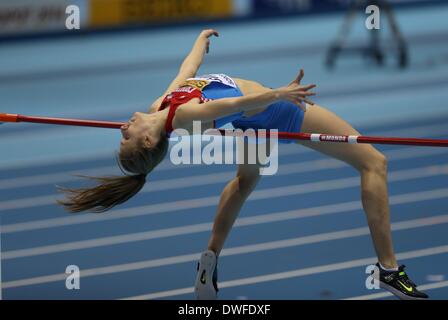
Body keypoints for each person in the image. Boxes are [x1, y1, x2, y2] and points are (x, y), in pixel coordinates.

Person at [58, 29, 428, 300]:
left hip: (254, 121)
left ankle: (210, 259)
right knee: (374, 162)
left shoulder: (160, 106)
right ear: (149, 141)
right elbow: (235, 106)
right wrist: (280, 94)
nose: (122, 128)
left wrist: (198, 44)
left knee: (245, 183)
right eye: (126, 136)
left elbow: (186, 73)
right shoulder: (183, 115)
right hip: (274, 111)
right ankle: (388, 270)